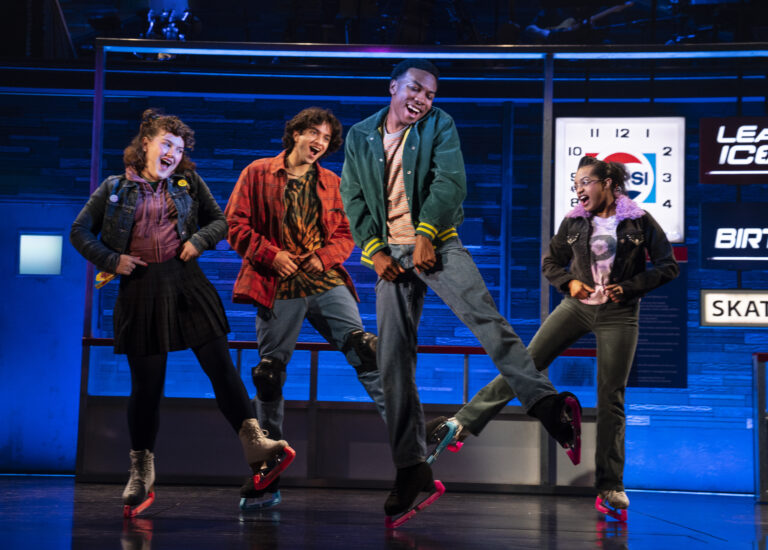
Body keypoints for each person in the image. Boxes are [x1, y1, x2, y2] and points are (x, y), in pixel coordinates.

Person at [340, 59, 581, 525]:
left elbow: (451, 181)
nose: (421, 100)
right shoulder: (359, 136)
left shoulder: (439, 125)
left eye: (429, 94)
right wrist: (374, 251)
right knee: (391, 360)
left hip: (439, 244)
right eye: (414, 89)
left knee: (485, 321)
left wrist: (428, 232)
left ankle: (547, 405)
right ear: (393, 87)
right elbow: (354, 198)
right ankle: (411, 471)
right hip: (391, 255)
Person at [427, 156, 679, 521]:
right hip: (576, 307)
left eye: (586, 182)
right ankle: (464, 423)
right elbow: (550, 263)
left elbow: (668, 266)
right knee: (524, 364)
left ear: (608, 182)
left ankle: (610, 484)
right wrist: (569, 282)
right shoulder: (574, 219)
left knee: (612, 396)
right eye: (574, 184)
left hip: (620, 314)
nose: (579, 189)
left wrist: (630, 287)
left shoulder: (639, 220)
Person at [70, 109, 291, 516]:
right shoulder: (114, 187)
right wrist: (111, 259)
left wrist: (199, 242)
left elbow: (220, 220)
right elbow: (79, 231)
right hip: (140, 287)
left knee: (221, 370)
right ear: (146, 145)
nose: (173, 153)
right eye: (166, 144)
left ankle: (256, 446)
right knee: (148, 387)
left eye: (179, 148)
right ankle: (141, 470)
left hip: (188, 282)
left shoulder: (187, 183)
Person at [225, 107, 386, 509]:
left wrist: (326, 256)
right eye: (313, 133)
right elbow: (235, 225)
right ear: (295, 133)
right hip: (277, 280)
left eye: (327, 138)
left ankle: (411, 445)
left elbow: (347, 233)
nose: (320, 142)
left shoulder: (333, 182)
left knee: (365, 349)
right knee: (269, 374)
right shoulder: (258, 172)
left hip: (323, 278)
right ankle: (268, 471)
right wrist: (271, 254)